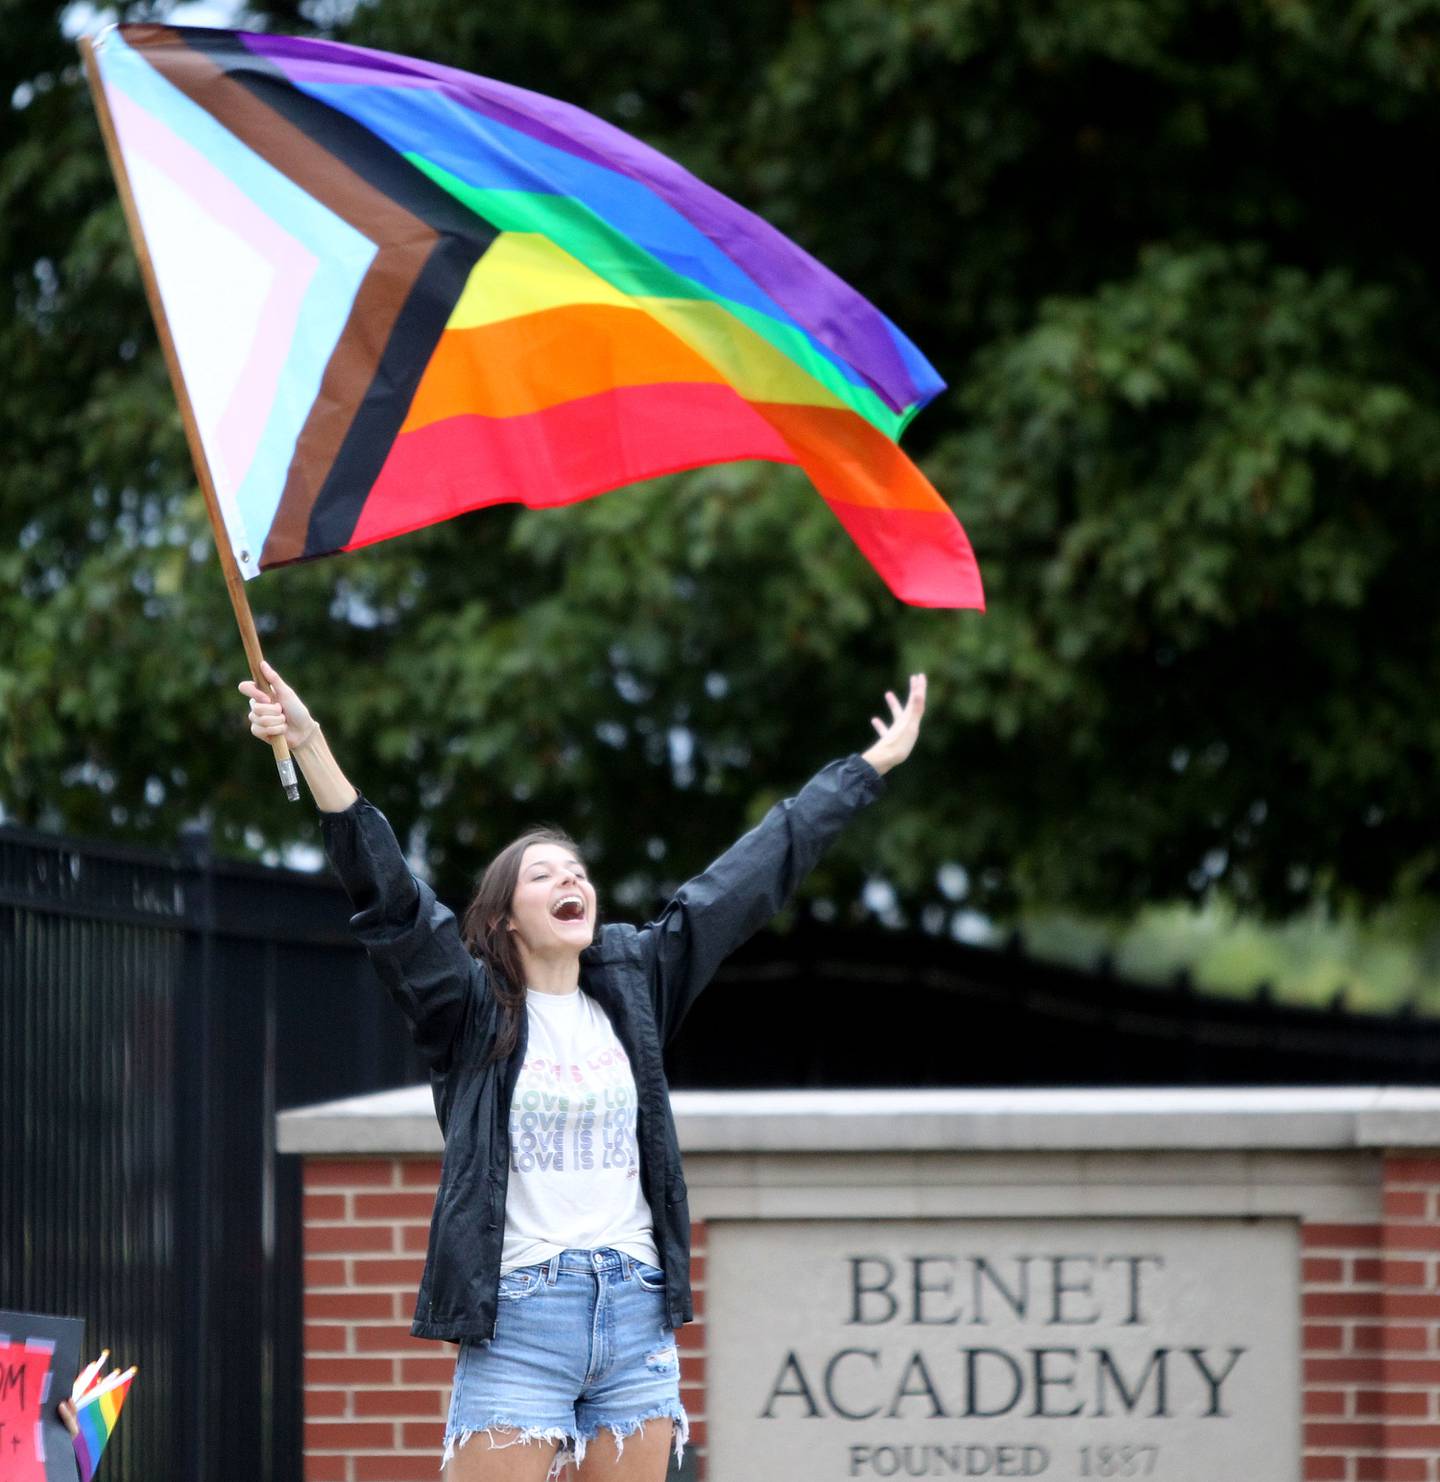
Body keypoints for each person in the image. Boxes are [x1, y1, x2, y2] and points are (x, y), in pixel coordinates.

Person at [240, 662, 927, 1481]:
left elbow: (745, 880)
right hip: (522, 1322)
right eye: (544, 873)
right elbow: (390, 898)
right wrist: (309, 741)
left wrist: (867, 768)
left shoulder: (635, 982)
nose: (571, 879)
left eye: (577, 871)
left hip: (636, 1316)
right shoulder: (466, 1008)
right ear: (503, 916)